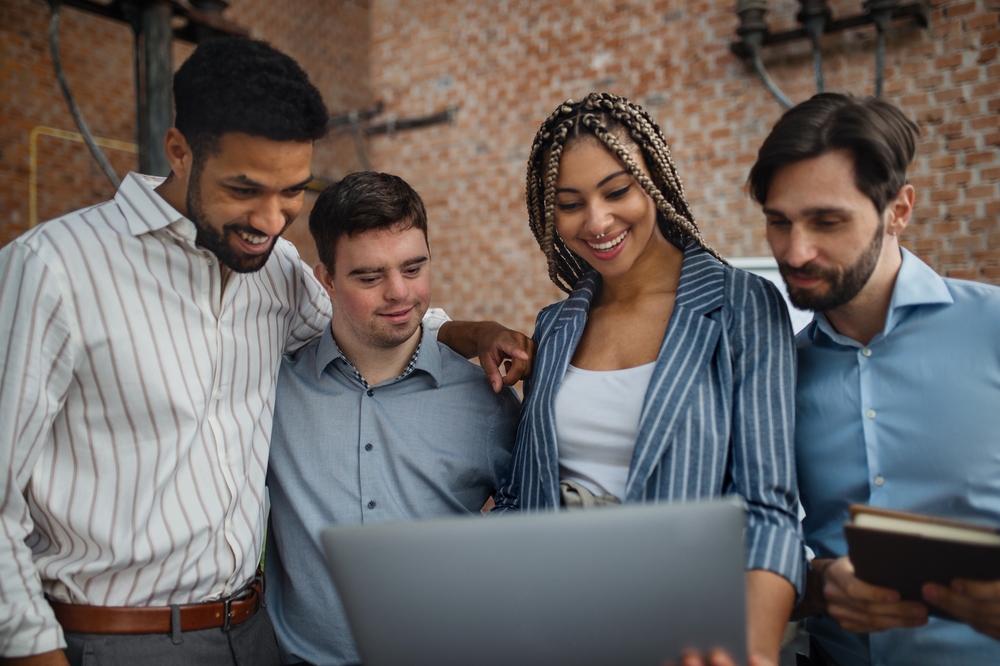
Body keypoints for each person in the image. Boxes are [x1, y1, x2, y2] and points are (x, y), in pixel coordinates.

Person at [0, 37, 528, 666]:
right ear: (179, 151)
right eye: (246, 189)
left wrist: (473, 332)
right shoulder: (52, 269)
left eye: (291, 192)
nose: (272, 219)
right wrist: (32, 652)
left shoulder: (273, 269)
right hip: (115, 639)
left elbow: (380, 321)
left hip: (252, 637)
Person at [491, 93, 803, 665]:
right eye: (570, 203)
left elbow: (767, 508)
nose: (597, 221)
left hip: (687, 636)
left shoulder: (741, 306)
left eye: (617, 191)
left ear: (652, 180)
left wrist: (754, 651)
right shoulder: (556, 325)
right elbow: (523, 497)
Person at [748, 92, 1000, 665]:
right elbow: (755, 544)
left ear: (899, 210)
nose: (795, 250)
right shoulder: (774, 374)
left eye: (827, 221)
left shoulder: (993, 328)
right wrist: (817, 586)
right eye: (778, 222)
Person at [262, 171, 520, 666]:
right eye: (369, 276)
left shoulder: (486, 399)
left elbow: (533, 530)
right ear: (327, 280)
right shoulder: (274, 393)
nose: (400, 293)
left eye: (414, 267)